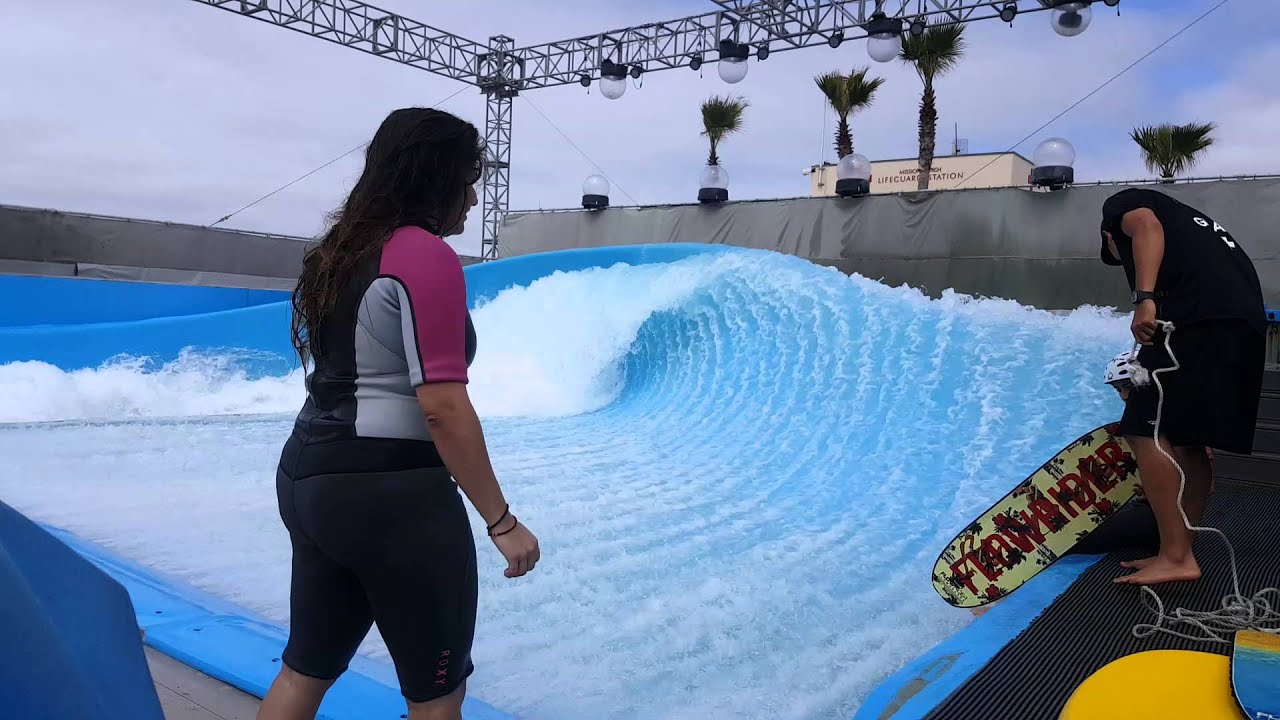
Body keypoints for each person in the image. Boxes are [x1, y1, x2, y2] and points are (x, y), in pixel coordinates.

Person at [259, 107, 540, 720]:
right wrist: (500, 520)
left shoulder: (337, 252)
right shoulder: (424, 255)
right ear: (434, 176)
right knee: (436, 696)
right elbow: (440, 406)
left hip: (309, 477)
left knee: (305, 669)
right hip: (391, 496)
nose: (471, 197)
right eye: (467, 179)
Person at [1098, 187, 1266, 587]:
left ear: (1108, 236)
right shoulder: (1195, 227)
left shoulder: (1125, 207)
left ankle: (1175, 555)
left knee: (1144, 428)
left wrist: (1145, 299)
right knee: (1188, 438)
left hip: (1198, 320)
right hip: (1243, 325)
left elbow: (1145, 227)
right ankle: (1177, 548)